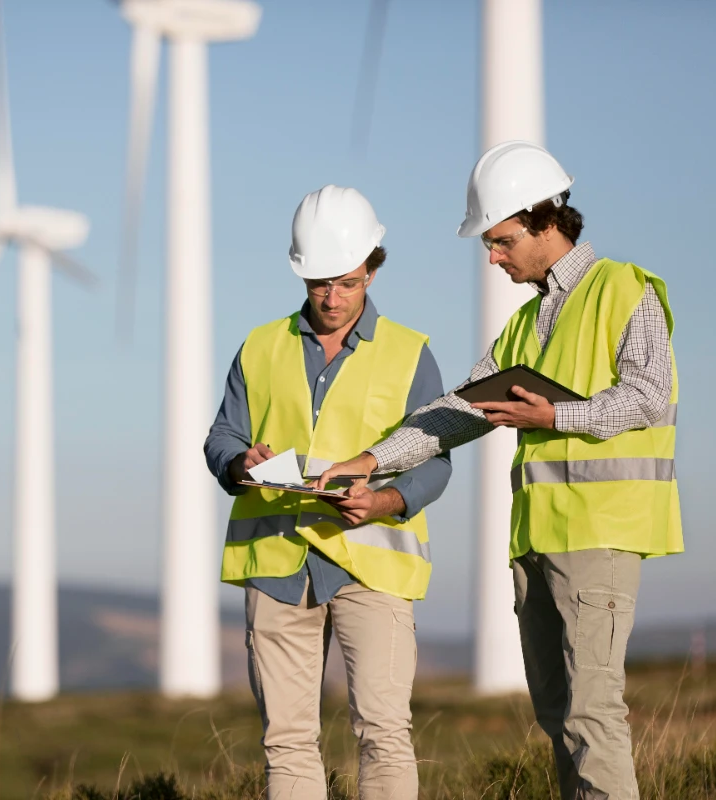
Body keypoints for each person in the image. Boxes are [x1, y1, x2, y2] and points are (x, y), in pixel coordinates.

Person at [315, 142, 681, 800]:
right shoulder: (526, 323)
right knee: (558, 715)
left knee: (593, 713)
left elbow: (650, 396)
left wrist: (556, 417)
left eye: (501, 241)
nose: (492, 258)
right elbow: (460, 410)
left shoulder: (625, 289)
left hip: (601, 534)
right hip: (537, 539)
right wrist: (370, 460)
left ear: (546, 220)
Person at [204, 185, 453, 800]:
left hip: (372, 565)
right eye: (319, 283)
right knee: (286, 741)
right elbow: (223, 436)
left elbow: (435, 461)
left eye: (346, 282)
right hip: (277, 561)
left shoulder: (410, 353)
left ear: (372, 268)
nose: (332, 297)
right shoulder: (259, 346)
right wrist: (239, 461)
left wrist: (384, 501)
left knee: (384, 733)